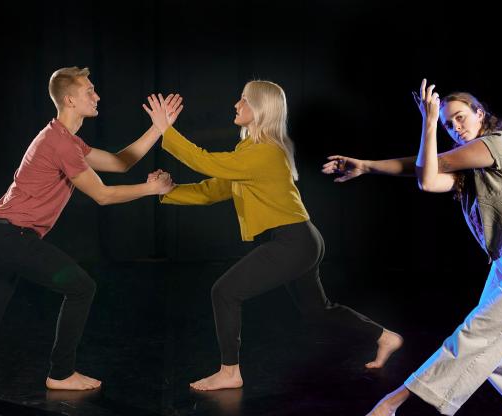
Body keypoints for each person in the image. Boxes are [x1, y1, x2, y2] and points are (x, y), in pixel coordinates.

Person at [321, 79, 502, 416]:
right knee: (491, 344)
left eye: (462, 117)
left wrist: (429, 122)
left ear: (481, 114)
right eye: (449, 123)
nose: (457, 127)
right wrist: (367, 165)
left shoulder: (500, 144)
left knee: (474, 337)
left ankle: (393, 401)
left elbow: (427, 171)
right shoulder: (472, 167)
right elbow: (429, 176)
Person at [0, 67, 177, 390]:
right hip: (10, 237)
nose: (97, 96)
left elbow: (120, 162)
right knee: (81, 287)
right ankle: (61, 374)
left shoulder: (68, 142)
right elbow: (102, 195)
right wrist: (150, 190)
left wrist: (158, 129)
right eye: (90, 91)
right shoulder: (59, 143)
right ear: (70, 99)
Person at [142, 81, 402, 391]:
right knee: (317, 311)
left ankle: (229, 372)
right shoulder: (250, 150)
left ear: (261, 108)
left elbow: (205, 161)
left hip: (293, 241)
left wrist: (164, 131)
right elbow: (215, 188)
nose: (236, 106)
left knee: (224, 292)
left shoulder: (266, 152)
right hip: (301, 240)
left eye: (243, 100)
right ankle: (386, 336)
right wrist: (168, 192)